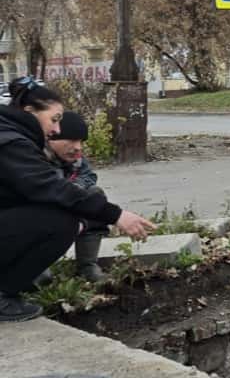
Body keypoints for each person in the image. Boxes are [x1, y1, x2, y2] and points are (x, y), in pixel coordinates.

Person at [0, 77, 156, 322]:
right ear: (29, 111)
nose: (56, 130)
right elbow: (52, 188)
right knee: (61, 223)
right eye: (54, 120)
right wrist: (116, 215)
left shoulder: (10, 135)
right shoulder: (11, 143)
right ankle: (3, 294)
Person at [47, 111, 108, 282]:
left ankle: (88, 266)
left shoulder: (75, 158)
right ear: (51, 139)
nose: (78, 147)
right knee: (40, 280)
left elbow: (89, 176)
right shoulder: (33, 159)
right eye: (72, 140)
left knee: (95, 195)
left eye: (81, 141)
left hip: (65, 205)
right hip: (37, 218)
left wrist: (77, 188)